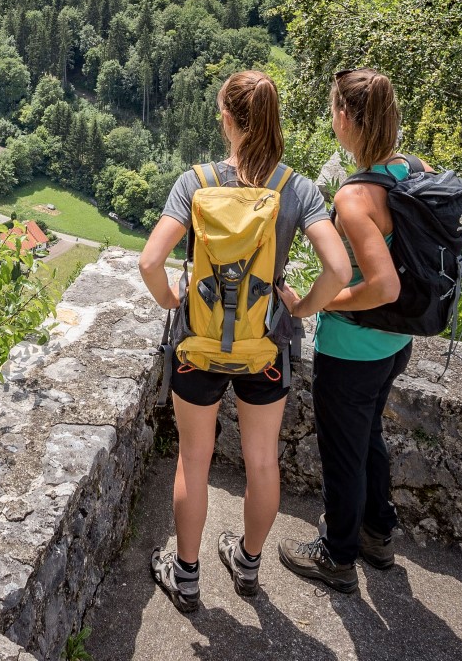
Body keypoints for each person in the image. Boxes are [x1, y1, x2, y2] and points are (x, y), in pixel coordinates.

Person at [138, 71, 350, 610]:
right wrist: (298, 307)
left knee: (193, 460)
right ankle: (248, 566)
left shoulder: (195, 183)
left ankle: (187, 579)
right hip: (264, 350)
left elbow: (150, 261)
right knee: (261, 463)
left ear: (228, 119)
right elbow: (339, 269)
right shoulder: (296, 189)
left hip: (199, 345)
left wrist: (172, 301)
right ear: (275, 121)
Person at [278, 68, 462, 592]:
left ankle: (337, 556)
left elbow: (382, 286)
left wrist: (319, 307)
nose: (331, 118)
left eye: (332, 110)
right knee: (367, 439)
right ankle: (377, 534)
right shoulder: (415, 169)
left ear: (345, 117)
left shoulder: (354, 197)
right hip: (398, 344)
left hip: (352, 349)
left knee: (343, 453)